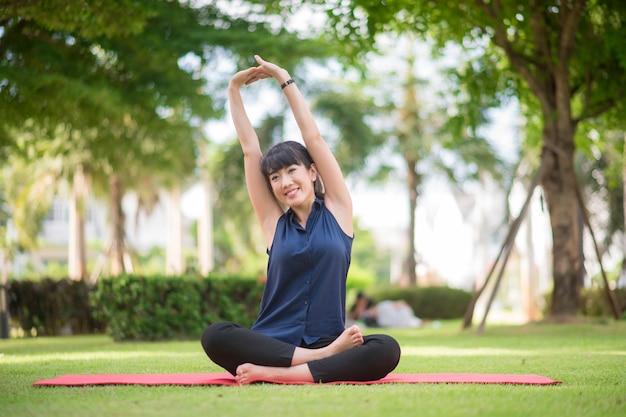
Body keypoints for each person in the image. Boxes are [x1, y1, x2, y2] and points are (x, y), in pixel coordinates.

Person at [201, 55, 401, 385]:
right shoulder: (273, 225)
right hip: (275, 343)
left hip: (327, 338)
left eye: (292, 170)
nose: (284, 182)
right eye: (275, 177)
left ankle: (275, 375)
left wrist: (284, 79)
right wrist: (233, 88)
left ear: (311, 172)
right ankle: (312, 363)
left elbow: (314, 139)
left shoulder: (338, 211)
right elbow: (251, 151)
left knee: (386, 348)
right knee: (216, 335)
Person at [349, 291, 423, 328]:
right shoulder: (362, 313)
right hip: (392, 321)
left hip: (399, 317)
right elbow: (352, 317)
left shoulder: (382, 306)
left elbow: (401, 303)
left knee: (413, 322)